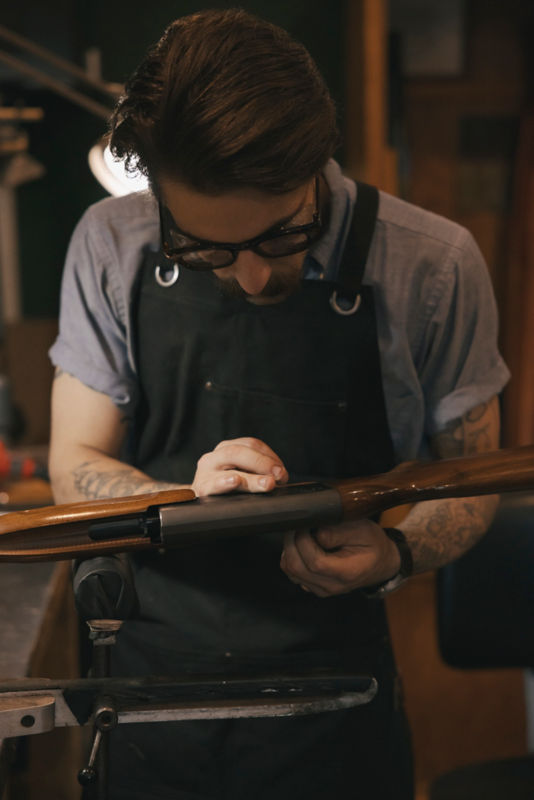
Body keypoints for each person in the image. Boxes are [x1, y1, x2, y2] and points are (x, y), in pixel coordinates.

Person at [48, 8, 509, 799]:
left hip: (334, 699)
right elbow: (73, 464)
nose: (252, 279)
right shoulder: (110, 242)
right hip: (154, 691)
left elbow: (474, 479)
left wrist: (395, 553)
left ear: (316, 161)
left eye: (280, 237)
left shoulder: (432, 265)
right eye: (205, 250)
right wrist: (186, 504)